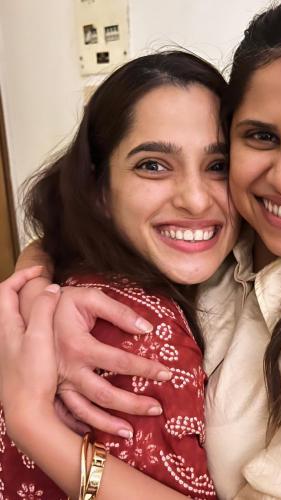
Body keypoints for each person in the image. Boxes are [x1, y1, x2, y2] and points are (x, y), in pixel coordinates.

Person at [2, 0, 281, 498]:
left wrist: (33, 422)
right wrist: (38, 294)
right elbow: (70, 224)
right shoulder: (246, 233)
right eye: (261, 136)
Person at [0, 51, 240, 499]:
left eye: (218, 166)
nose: (195, 199)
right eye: (153, 165)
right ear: (99, 190)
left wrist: (35, 284)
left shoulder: (77, 276)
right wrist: (29, 419)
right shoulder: (136, 330)